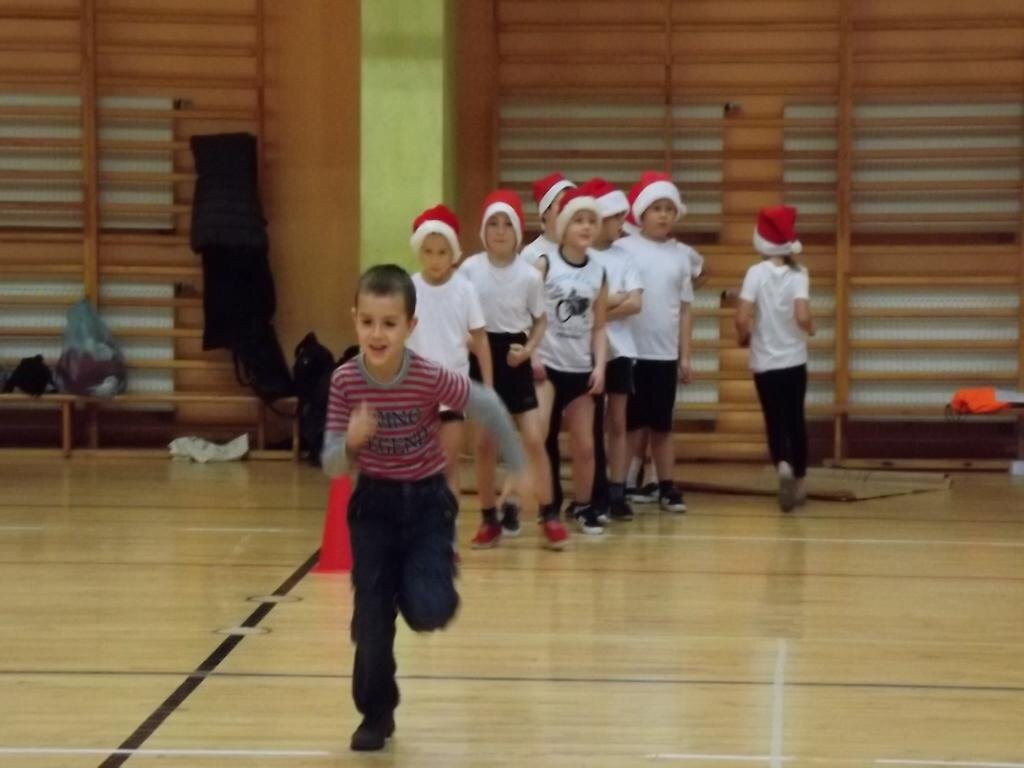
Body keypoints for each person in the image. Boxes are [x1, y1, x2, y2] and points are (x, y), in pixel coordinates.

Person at [321, 264, 528, 752]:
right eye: (367, 322)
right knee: (372, 626)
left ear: (410, 326)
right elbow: (331, 465)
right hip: (373, 508)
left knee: (429, 610)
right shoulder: (345, 382)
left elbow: (488, 405)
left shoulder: (428, 376)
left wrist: (519, 466)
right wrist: (350, 444)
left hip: (427, 506)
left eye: (389, 323)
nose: (377, 333)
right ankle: (376, 712)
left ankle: (422, 585)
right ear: (354, 320)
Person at [459, 190, 570, 550]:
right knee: (484, 444)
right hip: (482, 357)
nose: (500, 230)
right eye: (493, 223)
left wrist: (529, 350)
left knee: (534, 439)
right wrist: (468, 343)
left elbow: (541, 321)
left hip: (515, 357)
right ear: (483, 230)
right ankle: (488, 519)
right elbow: (460, 316)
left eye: (507, 224)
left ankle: (549, 514)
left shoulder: (529, 276)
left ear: (518, 231)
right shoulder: (470, 270)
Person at [617, 171, 698, 513]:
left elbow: (685, 310)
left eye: (668, 209)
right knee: (631, 425)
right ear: (641, 214)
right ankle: (620, 484)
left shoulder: (680, 256)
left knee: (662, 426)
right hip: (632, 354)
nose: (663, 215)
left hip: (664, 356)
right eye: (656, 208)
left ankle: (666, 485)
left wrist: (685, 356)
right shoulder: (625, 250)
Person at [534, 188, 609, 534]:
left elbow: (600, 326)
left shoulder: (600, 272)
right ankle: (546, 504)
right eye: (578, 220)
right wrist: (533, 354)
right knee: (539, 436)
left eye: (591, 220)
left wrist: (600, 366)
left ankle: (583, 505)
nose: (586, 226)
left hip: (580, 369)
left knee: (586, 446)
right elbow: (529, 317)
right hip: (547, 367)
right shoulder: (545, 265)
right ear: (564, 226)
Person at [407, 204, 492, 495]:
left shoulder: (464, 290)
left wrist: (488, 386)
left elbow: (480, 340)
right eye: (428, 251)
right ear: (419, 251)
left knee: (448, 465)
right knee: (416, 467)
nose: (435, 259)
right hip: (416, 391)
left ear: (453, 253)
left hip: (453, 389)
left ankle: (447, 523)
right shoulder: (409, 288)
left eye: (442, 252)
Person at [735, 205, 814, 512]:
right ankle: (801, 481)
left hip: (764, 362)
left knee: (774, 418)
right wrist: (811, 328)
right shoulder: (799, 273)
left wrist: (743, 336)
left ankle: (782, 464)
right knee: (796, 418)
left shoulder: (755, 273)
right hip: (794, 359)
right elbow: (802, 315)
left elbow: (742, 317)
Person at [584, 178, 643, 521]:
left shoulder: (625, 258)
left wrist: (602, 306)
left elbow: (635, 303)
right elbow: (583, 303)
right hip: (588, 350)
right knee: (590, 423)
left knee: (618, 420)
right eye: (616, 217)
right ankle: (594, 489)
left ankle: (618, 489)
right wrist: (612, 300)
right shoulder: (583, 257)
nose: (622, 223)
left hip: (621, 351)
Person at [519, 172, 575, 265]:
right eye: (562, 203)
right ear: (545, 212)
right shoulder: (530, 255)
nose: (567, 208)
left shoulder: (582, 250)